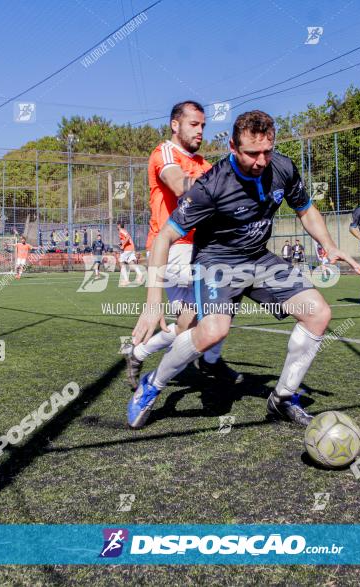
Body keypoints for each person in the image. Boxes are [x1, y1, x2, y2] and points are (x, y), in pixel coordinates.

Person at [128, 109, 360, 429]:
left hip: (258, 258)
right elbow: (164, 237)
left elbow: (305, 210)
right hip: (216, 262)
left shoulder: (281, 167)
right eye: (252, 153)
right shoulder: (210, 187)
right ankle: (152, 385)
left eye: (267, 151)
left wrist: (329, 244)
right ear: (232, 147)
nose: (261, 161)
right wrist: (153, 300)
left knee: (318, 313)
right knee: (213, 330)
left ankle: (282, 398)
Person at [124, 100, 241, 390]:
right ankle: (211, 361)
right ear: (175, 125)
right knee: (231, 278)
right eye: (194, 124)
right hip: (172, 249)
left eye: (203, 125)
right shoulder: (165, 152)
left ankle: (138, 353)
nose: (200, 130)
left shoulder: (204, 164)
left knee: (189, 325)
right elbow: (179, 185)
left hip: (195, 251)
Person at [117, 221, 143, 286]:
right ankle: (140, 274)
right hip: (131, 248)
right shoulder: (124, 230)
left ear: (119, 225)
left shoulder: (121, 231)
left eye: (117, 225)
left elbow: (128, 237)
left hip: (128, 249)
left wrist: (123, 245)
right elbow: (126, 239)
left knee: (121, 262)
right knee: (131, 262)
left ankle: (126, 280)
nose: (117, 226)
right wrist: (121, 244)